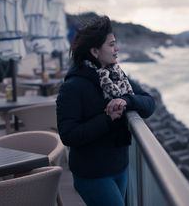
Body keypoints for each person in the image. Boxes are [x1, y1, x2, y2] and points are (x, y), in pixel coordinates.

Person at [56, 15, 155, 206]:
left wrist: (125, 101)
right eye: (111, 45)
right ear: (94, 51)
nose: (117, 49)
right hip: (92, 175)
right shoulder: (73, 86)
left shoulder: (117, 76)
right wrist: (107, 119)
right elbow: (68, 135)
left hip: (120, 167)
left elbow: (149, 103)